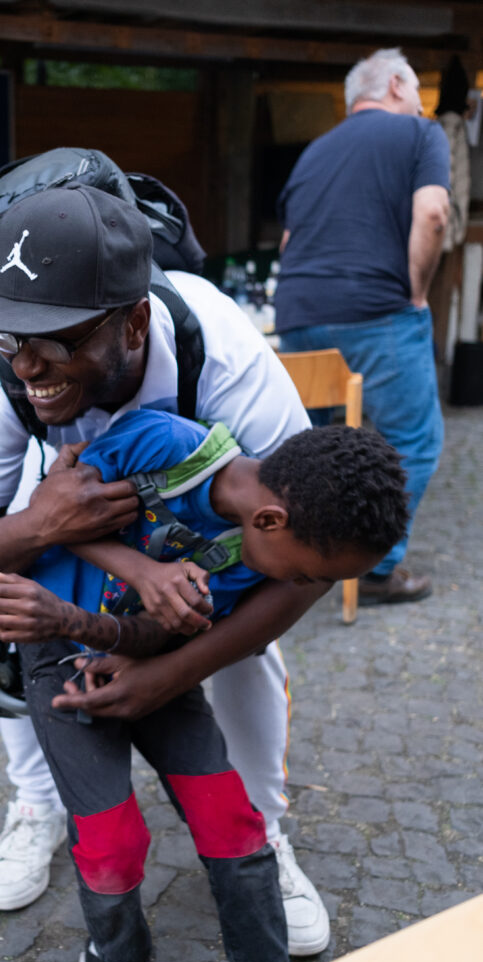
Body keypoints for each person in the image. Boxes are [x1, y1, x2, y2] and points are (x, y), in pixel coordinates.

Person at [0, 182, 330, 957]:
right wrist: (40, 523)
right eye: (13, 337)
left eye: (59, 338)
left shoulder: (223, 352)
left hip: (200, 509)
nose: (28, 363)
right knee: (21, 600)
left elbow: (306, 561)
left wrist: (170, 675)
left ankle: (261, 833)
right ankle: (38, 803)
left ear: (134, 321)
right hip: (55, 498)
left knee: (247, 657)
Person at [0, 411, 408, 962]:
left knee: (229, 815)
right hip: (57, 657)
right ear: (271, 520)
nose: (302, 587)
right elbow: (55, 517)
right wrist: (139, 574)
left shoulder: (242, 555)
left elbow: (160, 633)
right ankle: (113, 956)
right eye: (309, 573)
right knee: (108, 836)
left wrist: (119, 642)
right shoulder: (164, 444)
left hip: (147, 662)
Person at [275, 47, 450, 605]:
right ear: (397, 86)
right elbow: (433, 213)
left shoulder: (313, 153)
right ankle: (376, 570)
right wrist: (417, 292)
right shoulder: (420, 136)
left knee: (317, 450)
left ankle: (302, 561)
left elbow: (287, 242)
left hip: (297, 318)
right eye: (417, 91)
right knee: (414, 441)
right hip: (378, 313)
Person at [428, 55, 472, 362]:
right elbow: (451, 180)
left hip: (441, 227)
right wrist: (453, 227)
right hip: (442, 229)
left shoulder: (442, 128)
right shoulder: (451, 130)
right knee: (434, 303)